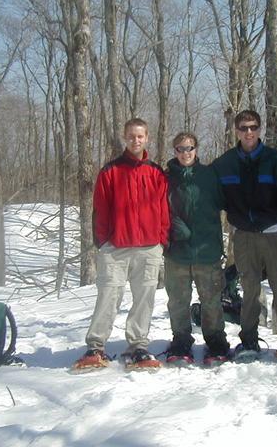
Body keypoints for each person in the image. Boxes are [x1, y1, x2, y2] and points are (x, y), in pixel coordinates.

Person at [73, 118, 169, 370]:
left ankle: (138, 346)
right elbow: (100, 210)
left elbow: (163, 210)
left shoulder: (156, 173)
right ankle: (95, 346)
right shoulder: (110, 171)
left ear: (147, 138)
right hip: (116, 248)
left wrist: (161, 240)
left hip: (149, 247)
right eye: (131, 136)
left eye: (140, 136)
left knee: (144, 298)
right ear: (124, 137)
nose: (135, 140)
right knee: (109, 295)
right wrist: (103, 241)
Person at [212, 110, 277, 362]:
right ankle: (249, 339)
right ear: (236, 131)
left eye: (253, 127)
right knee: (249, 288)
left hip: (275, 234)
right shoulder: (226, 163)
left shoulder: (273, 160)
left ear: (259, 129)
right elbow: (209, 190)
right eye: (243, 128)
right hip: (244, 236)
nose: (248, 132)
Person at [164, 132, 230, 366]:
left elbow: (229, 201)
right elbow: (157, 208)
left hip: (207, 250)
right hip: (177, 252)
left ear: (196, 149)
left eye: (189, 148)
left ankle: (215, 341)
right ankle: (181, 340)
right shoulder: (166, 177)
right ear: (175, 151)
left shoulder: (209, 175)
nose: (185, 153)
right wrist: (172, 226)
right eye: (180, 149)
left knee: (211, 300)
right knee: (178, 301)